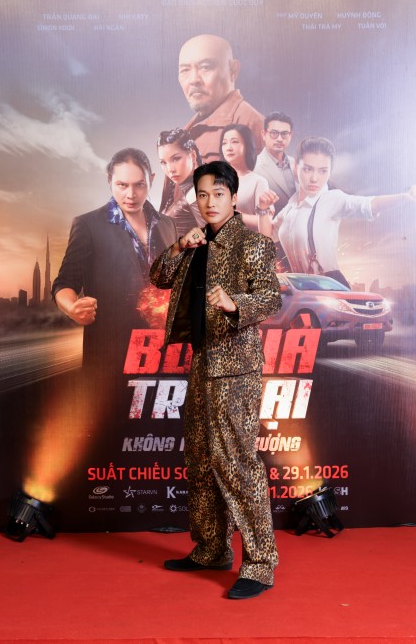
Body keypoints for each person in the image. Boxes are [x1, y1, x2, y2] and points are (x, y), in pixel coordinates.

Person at [150, 160, 281, 601]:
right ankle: (211, 549)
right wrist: (179, 246)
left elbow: (271, 297)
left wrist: (234, 302)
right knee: (201, 460)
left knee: (237, 463)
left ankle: (260, 564)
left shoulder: (253, 243)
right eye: (202, 195)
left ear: (234, 197)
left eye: (218, 194)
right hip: (203, 362)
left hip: (237, 367)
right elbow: (158, 277)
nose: (209, 202)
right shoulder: (195, 241)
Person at [52, 148, 177, 365]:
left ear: (152, 179)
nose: (131, 194)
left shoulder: (168, 224)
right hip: (110, 356)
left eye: (139, 184)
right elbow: (63, 284)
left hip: (163, 354)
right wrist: (72, 308)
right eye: (122, 185)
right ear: (109, 180)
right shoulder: (88, 225)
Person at [259, 136, 416, 287]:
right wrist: (262, 209)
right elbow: (267, 237)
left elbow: (369, 204)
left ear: (330, 172)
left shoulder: (332, 199)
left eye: (323, 171)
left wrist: (405, 196)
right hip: (300, 286)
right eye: (308, 169)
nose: (314, 178)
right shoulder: (290, 207)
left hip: (327, 285)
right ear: (296, 167)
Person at [177, 34, 264, 164]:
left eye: (205, 67)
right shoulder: (188, 131)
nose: (194, 80)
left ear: (233, 70)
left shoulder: (251, 124)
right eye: (185, 70)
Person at [219, 123, 270, 235]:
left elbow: (267, 222)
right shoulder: (217, 180)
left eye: (234, 142)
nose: (228, 148)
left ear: (247, 145)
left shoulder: (258, 182)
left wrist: (235, 215)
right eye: (224, 143)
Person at [157, 128, 205, 237]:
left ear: (193, 155)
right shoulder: (187, 189)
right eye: (163, 162)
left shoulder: (196, 192)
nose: (170, 169)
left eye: (176, 159)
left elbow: (215, 239)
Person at [253, 111, 297, 215]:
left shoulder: (297, 164)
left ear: (291, 135)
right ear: (264, 134)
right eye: (274, 133)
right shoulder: (253, 167)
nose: (279, 139)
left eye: (284, 134)